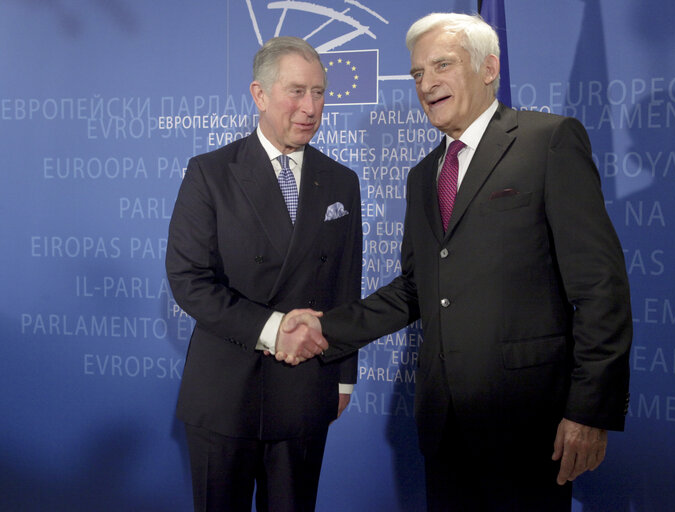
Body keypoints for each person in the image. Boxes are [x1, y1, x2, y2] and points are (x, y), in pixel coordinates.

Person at [279, 13, 632, 511]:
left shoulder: (547, 141)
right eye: (418, 74)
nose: (427, 84)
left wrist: (590, 411)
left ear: (489, 68)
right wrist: (327, 328)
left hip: (530, 424)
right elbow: (414, 288)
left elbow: (600, 288)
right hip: (444, 426)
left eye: (442, 65)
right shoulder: (424, 174)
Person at [165, 36, 361, 512]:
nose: (310, 107)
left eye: (318, 92)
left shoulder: (341, 181)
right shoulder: (211, 173)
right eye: (297, 91)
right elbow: (189, 278)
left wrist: (342, 378)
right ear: (260, 94)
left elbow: (345, 286)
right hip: (225, 395)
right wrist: (274, 329)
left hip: (304, 392)